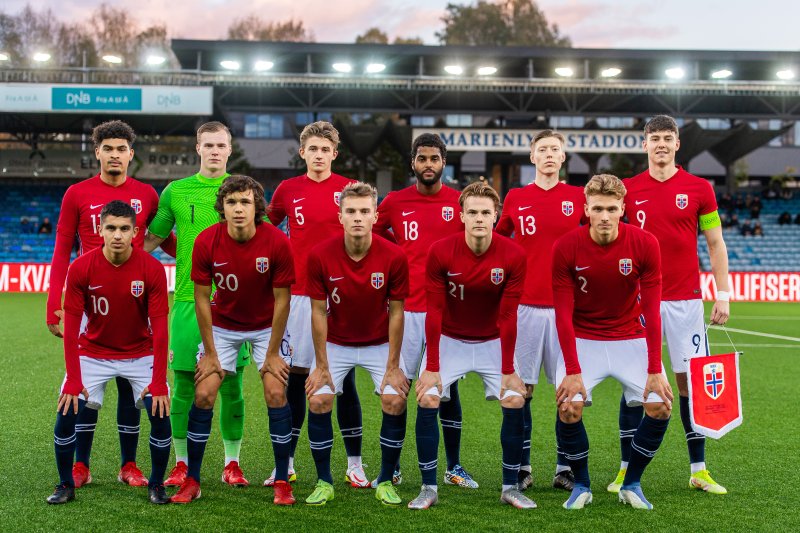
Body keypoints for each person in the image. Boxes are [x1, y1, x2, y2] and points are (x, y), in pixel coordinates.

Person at [46, 120, 166, 489]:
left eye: (121, 149)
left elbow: (165, 238)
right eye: (108, 149)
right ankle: (81, 465)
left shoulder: (147, 194)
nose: (115, 155)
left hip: (133, 300)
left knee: (132, 389)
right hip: (90, 298)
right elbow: (63, 246)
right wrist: (54, 301)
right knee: (84, 389)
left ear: (132, 154)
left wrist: (200, 266)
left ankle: (128, 464)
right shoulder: (76, 194)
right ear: (97, 152)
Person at [621, 115, 730, 495]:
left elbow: (715, 243)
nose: (662, 145)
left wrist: (723, 293)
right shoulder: (629, 190)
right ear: (645, 144)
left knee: (690, 385)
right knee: (635, 383)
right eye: (655, 138)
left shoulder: (700, 189)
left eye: (668, 138)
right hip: (639, 300)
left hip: (686, 302)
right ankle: (623, 470)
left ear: (678, 144)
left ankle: (698, 469)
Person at [169, 176, 295, 505]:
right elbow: (201, 298)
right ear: (222, 209)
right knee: (205, 392)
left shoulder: (277, 242)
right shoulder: (207, 241)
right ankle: (193, 480)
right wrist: (210, 353)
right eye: (232, 203)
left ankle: (282, 480)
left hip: (267, 325)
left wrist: (271, 355)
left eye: (245, 202)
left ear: (257, 208)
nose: (238, 209)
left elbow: (283, 301)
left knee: (275, 390)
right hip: (224, 326)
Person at [410, 181, 535, 511]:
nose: (479, 218)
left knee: (514, 399)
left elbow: (508, 315)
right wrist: (433, 366)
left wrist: (509, 370)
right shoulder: (441, 251)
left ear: (496, 216)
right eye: (472, 212)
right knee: (427, 397)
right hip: (450, 339)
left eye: (485, 213)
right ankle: (428, 488)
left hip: (493, 341)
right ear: (461, 216)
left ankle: (510, 487)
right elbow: (434, 310)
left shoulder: (513, 254)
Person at [553, 174, 672, 511]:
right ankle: (582, 485)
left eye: (611, 208)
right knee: (568, 407)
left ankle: (631, 482)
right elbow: (562, 313)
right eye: (597, 208)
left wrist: (653, 368)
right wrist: (572, 370)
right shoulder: (566, 246)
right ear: (586, 209)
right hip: (582, 338)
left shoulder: (645, 243)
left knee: (661, 405)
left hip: (629, 336)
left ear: (623, 208)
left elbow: (652, 310)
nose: (604, 215)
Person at [144, 122, 251, 487]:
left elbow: (259, 241)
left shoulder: (243, 191)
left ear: (230, 149)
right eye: (209, 145)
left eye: (222, 145)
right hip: (189, 301)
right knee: (185, 385)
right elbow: (155, 237)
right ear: (198, 148)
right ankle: (181, 463)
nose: (216, 151)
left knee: (231, 385)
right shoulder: (176, 191)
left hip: (233, 305)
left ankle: (232, 462)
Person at [372, 133, 476, 489]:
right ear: (413, 163)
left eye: (434, 158)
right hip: (404, 310)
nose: (428, 164)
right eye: (422, 158)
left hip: (445, 314)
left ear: (443, 163)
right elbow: (371, 237)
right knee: (397, 391)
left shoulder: (459, 203)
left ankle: (454, 467)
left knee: (447, 391)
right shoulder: (396, 201)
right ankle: (393, 468)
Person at [267, 121, 367, 488]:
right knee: (296, 379)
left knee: (344, 380)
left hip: (342, 296)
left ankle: (354, 464)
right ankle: (287, 462)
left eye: (326, 150)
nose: (319, 155)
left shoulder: (348, 190)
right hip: (298, 296)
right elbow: (267, 227)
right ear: (302, 152)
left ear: (334, 154)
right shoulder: (287, 190)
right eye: (313, 149)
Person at [303, 182, 410, 506]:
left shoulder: (394, 256)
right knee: (318, 399)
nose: (358, 218)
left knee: (395, 399)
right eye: (351, 211)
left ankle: (385, 480)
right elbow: (318, 312)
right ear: (340, 216)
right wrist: (321, 366)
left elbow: (396, 312)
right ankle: (324, 481)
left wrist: (393, 367)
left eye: (365, 211)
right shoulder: (320, 256)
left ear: (376, 215)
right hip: (336, 343)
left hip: (379, 343)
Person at [495, 129, 585, 492]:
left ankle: (565, 467)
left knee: (568, 392)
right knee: (524, 389)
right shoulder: (516, 197)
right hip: (526, 309)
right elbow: (498, 243)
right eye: (542, 149)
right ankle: (522, 466)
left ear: (563, 158)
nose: (549, 154)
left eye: (555, 150)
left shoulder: (578, 198)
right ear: (532, 157)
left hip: (569, 309)